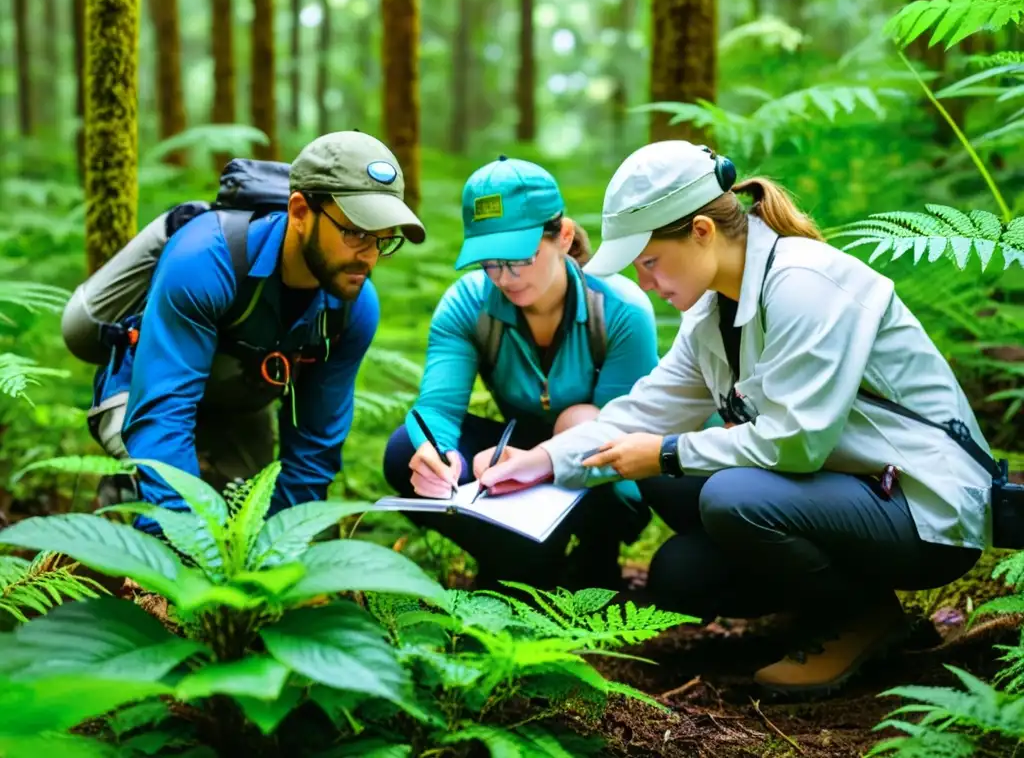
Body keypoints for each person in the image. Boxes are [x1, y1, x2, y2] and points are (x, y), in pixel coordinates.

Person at [475, 140, 990, 695]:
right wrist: (542, 460)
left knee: (724, 494)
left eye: (649, 261)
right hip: (850, 492)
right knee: (679, 569)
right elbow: (644, 412)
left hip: (923, 506)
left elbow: (797, 443)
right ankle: (814, 608)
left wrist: (669, 454)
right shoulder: (711, 314)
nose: (644, 283)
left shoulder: (803, 284)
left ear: (701, 231)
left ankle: (862, 618)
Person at [83, 131, 425, 527]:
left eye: (384, 240)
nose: (368, 256)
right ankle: (120, 502)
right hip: (140, 393)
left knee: (242, 518)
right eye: (355, 232)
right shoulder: (205, 261)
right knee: (167, 514)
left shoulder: (353, 308)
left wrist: (282, 547)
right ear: (299, 212)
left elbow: (313, 448)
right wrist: (181, 542)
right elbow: (162, 414)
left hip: (237, 406)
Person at [382, 155, 660, 590]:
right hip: (512, 456)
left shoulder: (620, 310)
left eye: (519, 258)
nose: (505, 278)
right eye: (489, 263)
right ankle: (524, 564)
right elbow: (437, 407)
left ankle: (592, 563)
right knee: (403, 450)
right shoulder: (468, 305)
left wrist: (542, 463)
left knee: (582, 421)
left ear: (564, 237)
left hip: (603, 475)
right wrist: (438, 453)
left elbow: (627, 432)